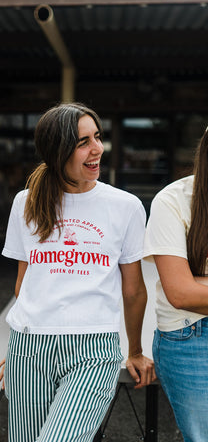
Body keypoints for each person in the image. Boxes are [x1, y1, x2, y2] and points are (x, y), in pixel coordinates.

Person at [0, 102, 155, 442]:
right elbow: (24, 281)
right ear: (57, 152)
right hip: (28, 348)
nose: (97, 148)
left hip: (92, 349)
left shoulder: (125, 206)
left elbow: (134, 290)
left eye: (97, 137)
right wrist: (18, 346)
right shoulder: (25, 202)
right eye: (83, 142)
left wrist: (135, 350)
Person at [144, 127, 208, 442]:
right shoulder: (173, 200)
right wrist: (188, 283)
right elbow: (180, 292)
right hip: (190, 334)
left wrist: (197, 282)